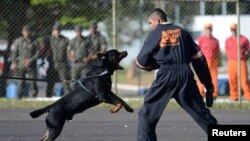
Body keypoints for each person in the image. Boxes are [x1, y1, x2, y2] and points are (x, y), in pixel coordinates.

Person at [136, 8, 217, 140]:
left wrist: (152, 66)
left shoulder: (155, 33)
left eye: (150, 23)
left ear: (157, 20)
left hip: (166, 75)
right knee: (201, 113)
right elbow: (199, 59)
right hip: (185, 74)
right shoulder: (183, 32)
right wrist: (207, 84)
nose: (150, 27)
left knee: (146, 114)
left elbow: (141, 61)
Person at [10, 25, 39, 99]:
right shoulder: (18, 41)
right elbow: (14, 53)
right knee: (21, 81)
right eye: (25, 31)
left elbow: (38, 53)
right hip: (21, 64)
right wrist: (13, 62)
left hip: (31, 64)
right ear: (22, 32)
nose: (26, 33)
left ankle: (33, 97)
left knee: (32, 81)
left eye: (28, 31)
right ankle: (18, 97)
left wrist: (31, 60)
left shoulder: (34, 41)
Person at [225, 23, 250, 101]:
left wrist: (245, 57)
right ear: (230, 30)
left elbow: (248, 50)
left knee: (244, 79)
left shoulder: (244, 39)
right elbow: (227, 51)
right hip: (232, 62)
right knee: (232, 79)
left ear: (237, 30)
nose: (234, 31)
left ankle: (247, 95)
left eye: (235, 30)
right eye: (232, 30)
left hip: (241, 61)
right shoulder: (228, 40)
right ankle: (234, 96)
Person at [46, 22, 71, 97]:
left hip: (62, 63)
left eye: (58, 30)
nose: (57, 31)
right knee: (50, 81)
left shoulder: (65, 40)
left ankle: (68, 95)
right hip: (52, 63)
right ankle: (48, 96)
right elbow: (43, 48)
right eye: (55, 30)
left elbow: (69, 51)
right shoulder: (49, 39)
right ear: (53, 30)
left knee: (65, 80)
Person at [197, 23, 220, 99]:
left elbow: (217, 52)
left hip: (213, 61)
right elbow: (198, 50)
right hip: (204, 61)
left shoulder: (215, 40)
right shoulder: (201, 39)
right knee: (202, 77)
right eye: (207, 29)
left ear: (211, 30)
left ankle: (214, 94)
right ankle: (201, 93)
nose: (208, 30)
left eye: (209, 29)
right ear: (204, 30)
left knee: (214, 78)